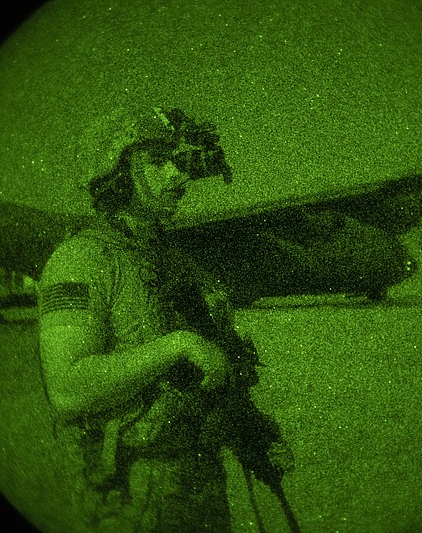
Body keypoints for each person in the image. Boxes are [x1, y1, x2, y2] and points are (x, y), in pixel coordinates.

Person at [37, 107, 292, 531]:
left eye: (178, 161)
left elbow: (209, 371)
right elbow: (67, 388)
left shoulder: (177, 262)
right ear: (117, 176)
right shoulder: (82, 260)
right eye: (157, 162)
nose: (179, 176)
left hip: (198, 486)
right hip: (128, 496)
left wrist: (251, 430)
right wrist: (179, 345)